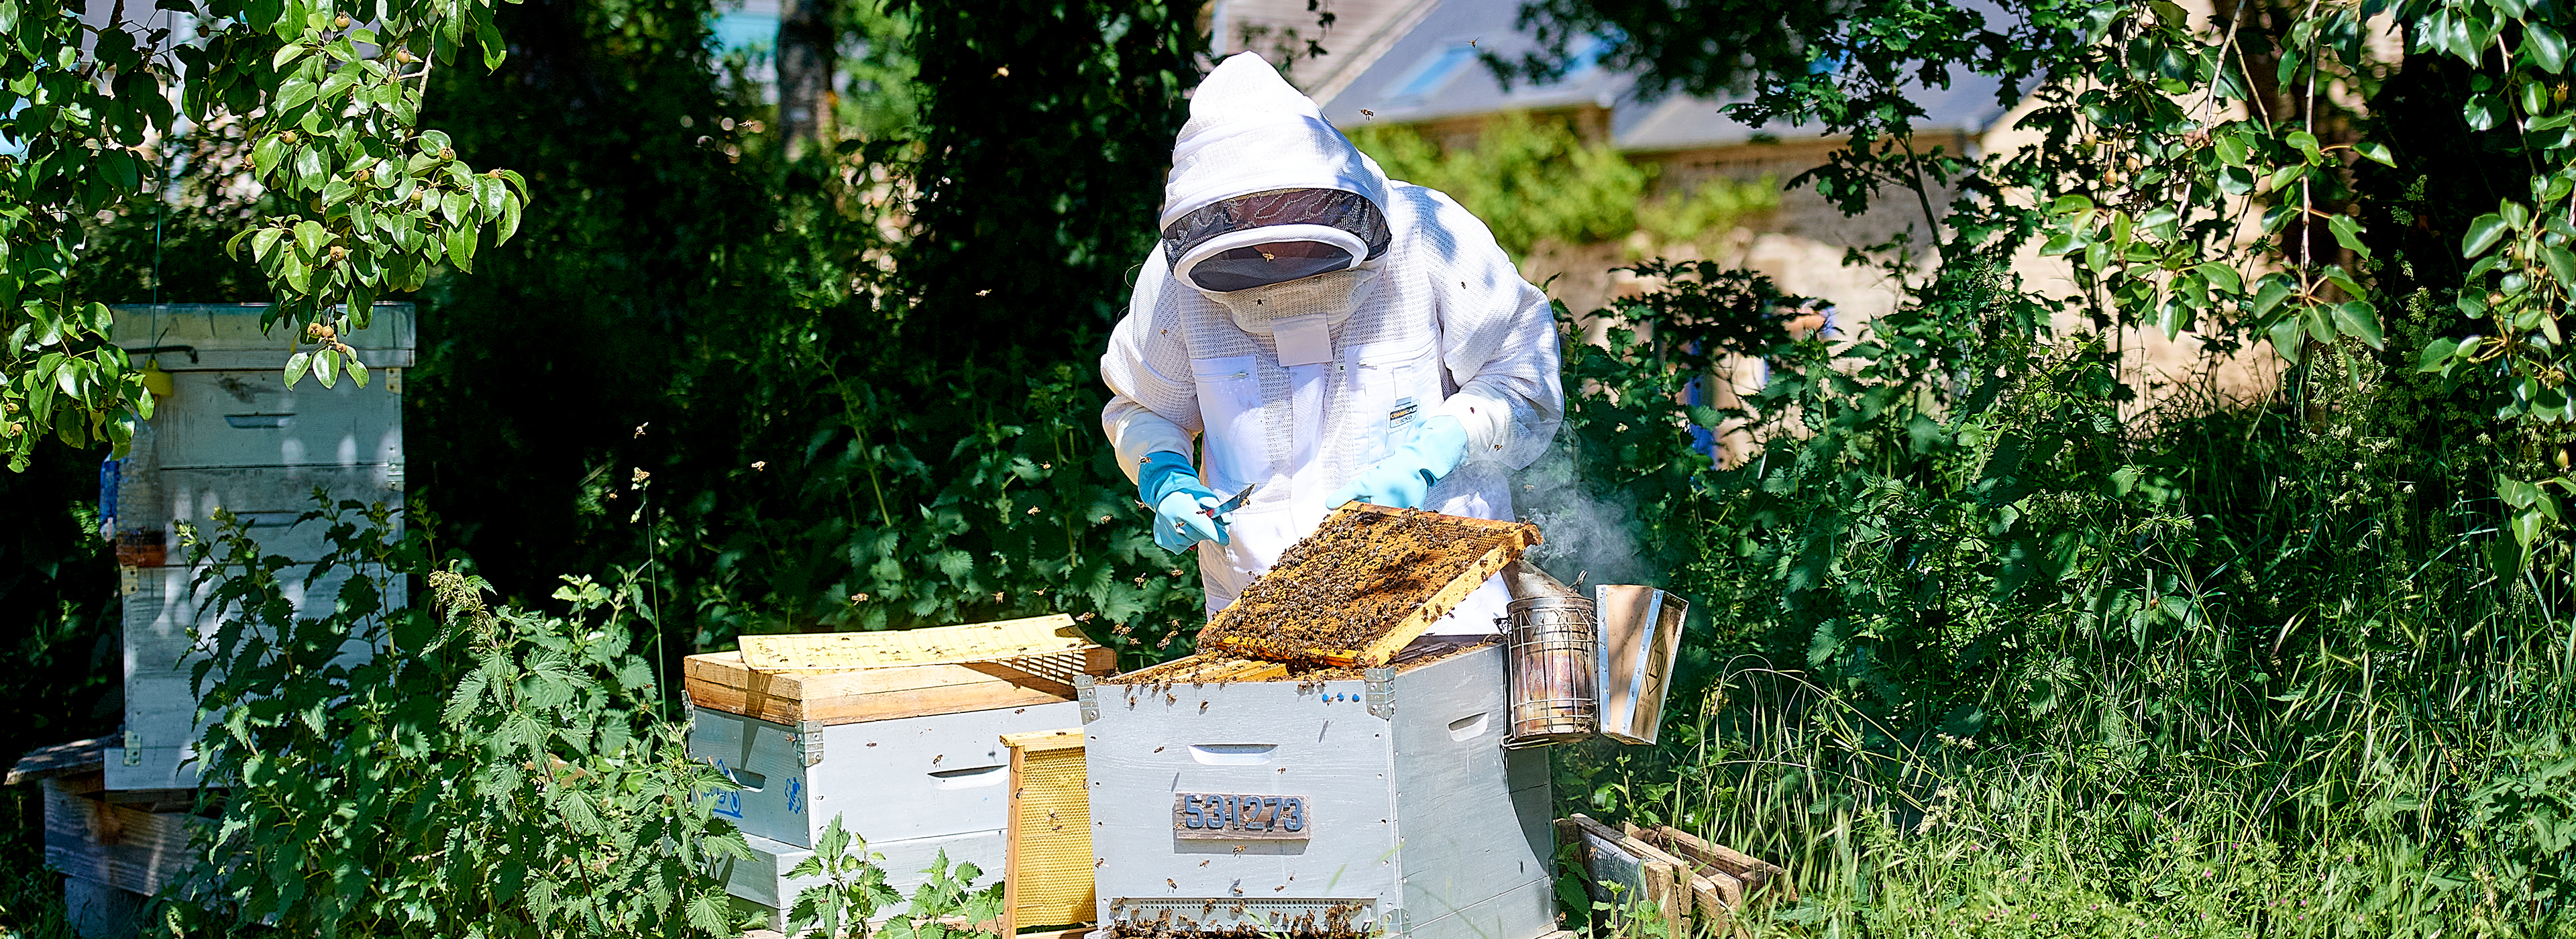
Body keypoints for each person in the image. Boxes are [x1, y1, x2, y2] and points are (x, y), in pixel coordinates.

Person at [1099, 52, 1564, 635]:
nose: (1276, 264)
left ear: (1326, 198)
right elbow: (1143, 404)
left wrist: (1443, 443)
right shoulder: (1176, 286)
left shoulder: (1427, 236)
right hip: (1258, 620)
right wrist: (1163, 470)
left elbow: (1524, 372)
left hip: (1444, 607)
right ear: (1212, 222)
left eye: (1288, 223)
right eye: (1250, 234)